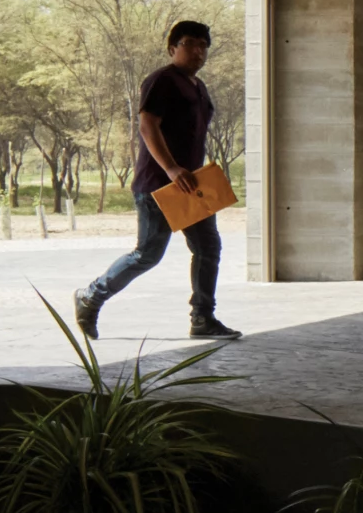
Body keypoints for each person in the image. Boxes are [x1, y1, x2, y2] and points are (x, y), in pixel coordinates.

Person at [74, 19, 241, 344]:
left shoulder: (198, 86)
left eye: (204, 45)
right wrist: (171, 168)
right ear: (172, 48)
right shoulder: (162, 80)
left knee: (208, 247)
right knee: (148, 254)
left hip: (192, 185)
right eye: (191, 43)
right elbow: (148, 124)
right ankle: (90, 296)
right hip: (159, 184)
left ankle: (203, 318)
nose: (198, 51)